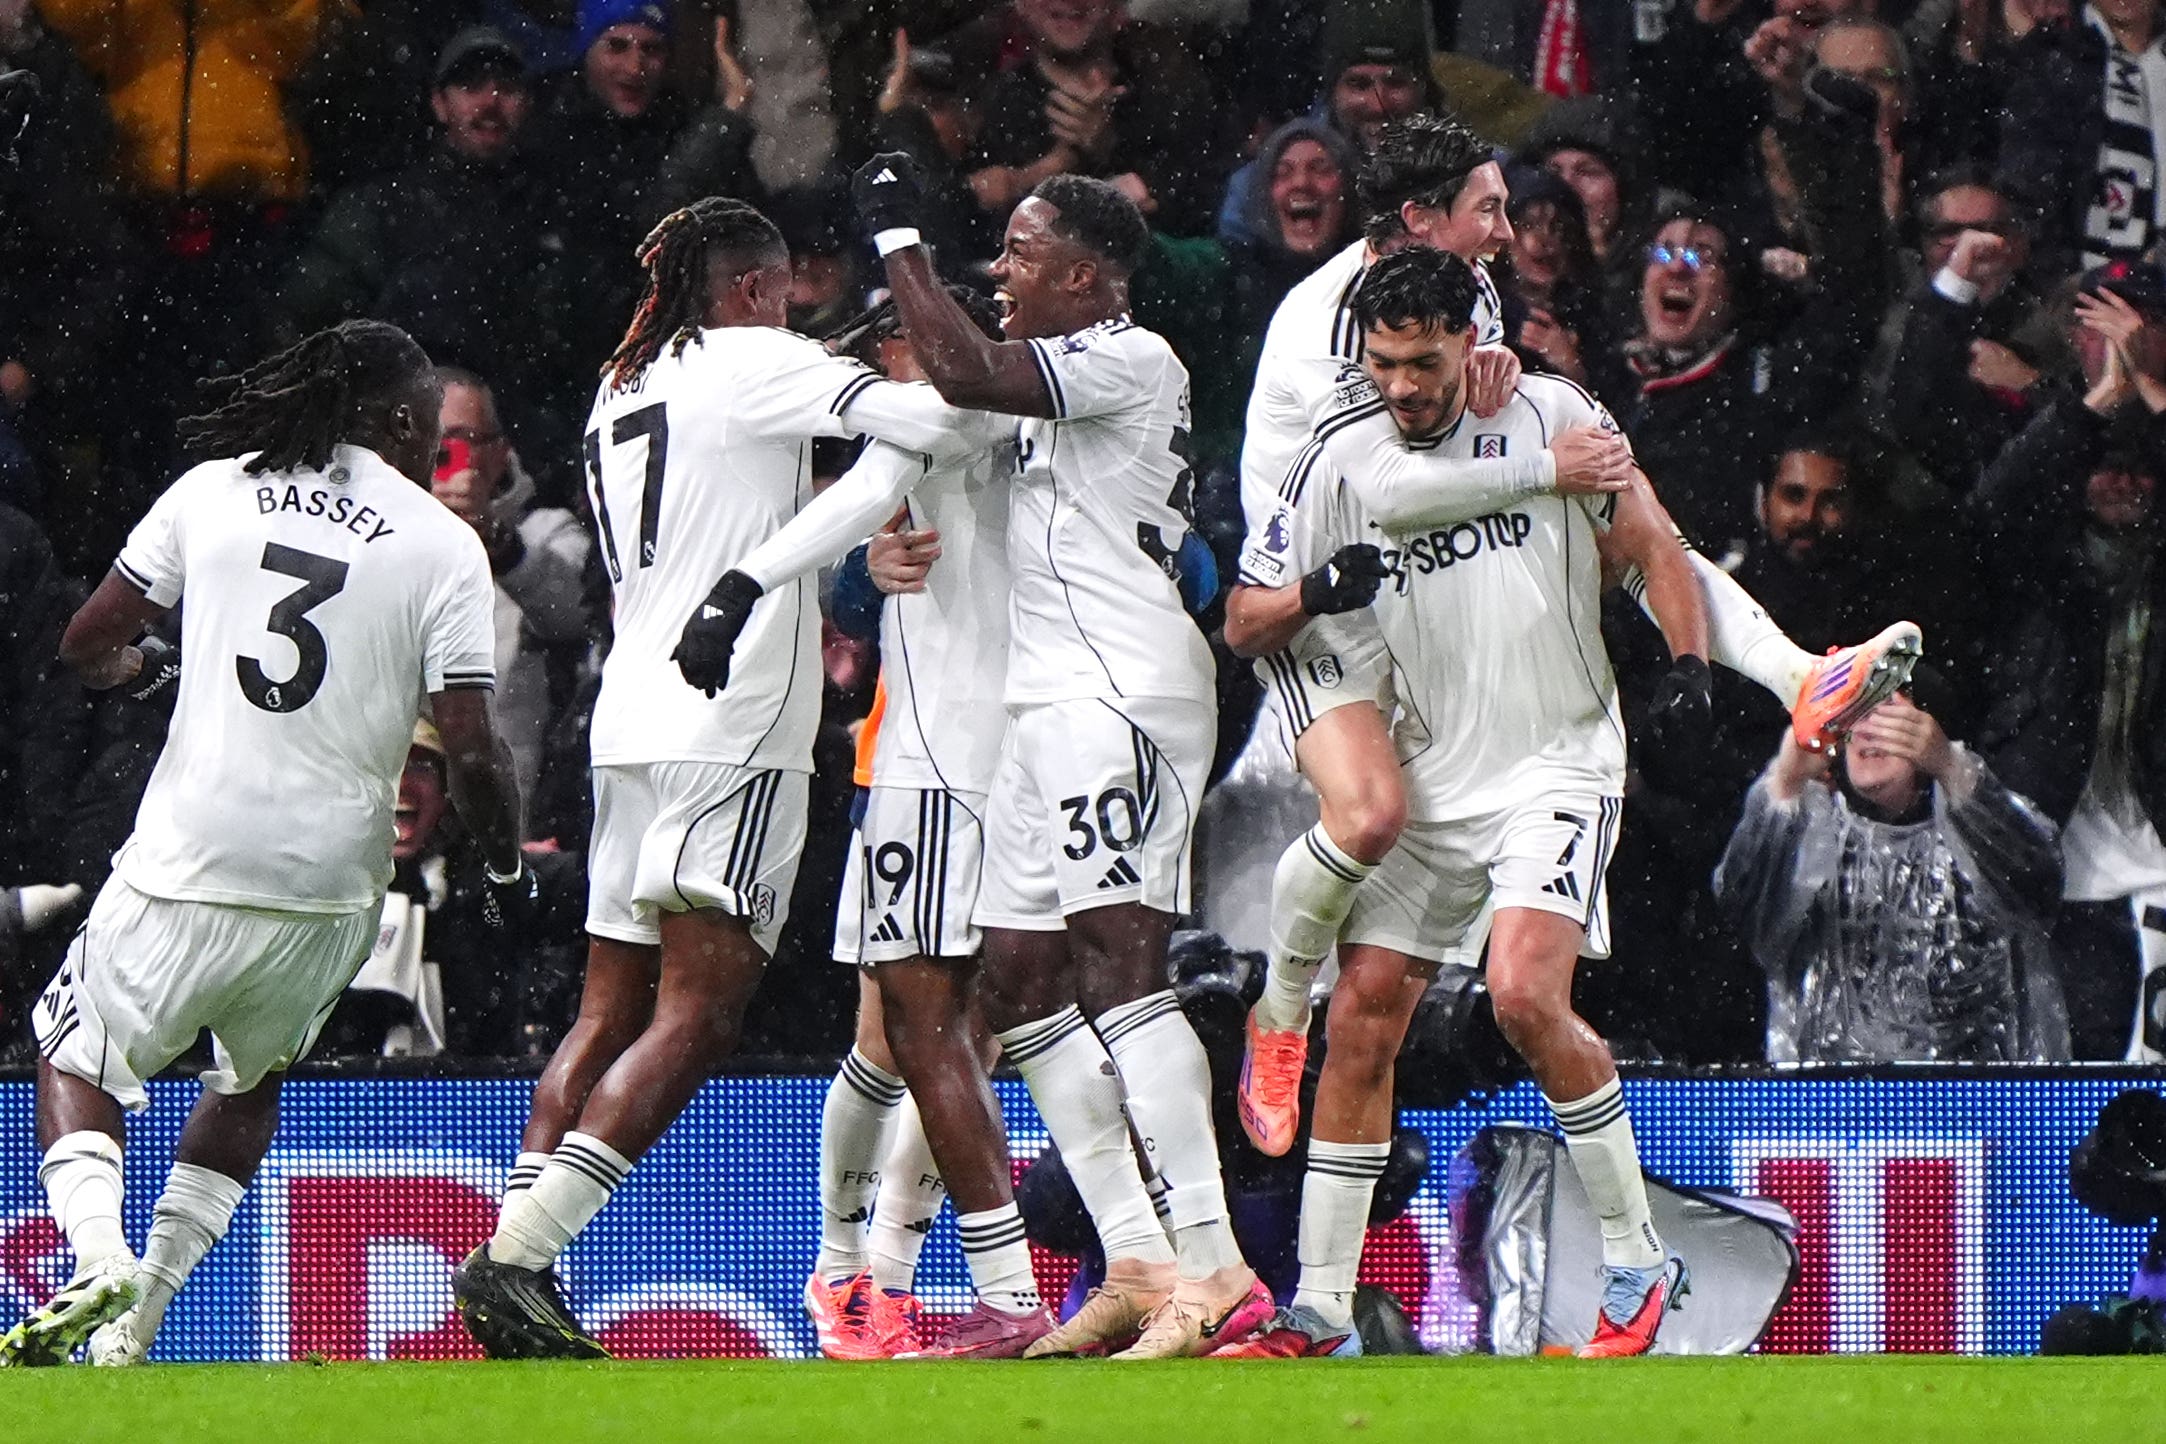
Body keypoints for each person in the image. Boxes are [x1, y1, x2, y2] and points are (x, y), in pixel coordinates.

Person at [1227, 116, 1920, 1170]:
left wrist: (1538, 421)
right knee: (1370, 816)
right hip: (1321, 597)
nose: (1508, 231)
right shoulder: (1327, 330)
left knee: (1622, 486)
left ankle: (1798, 672)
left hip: (1436, 607)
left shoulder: (1458, 284)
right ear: (1420, 222)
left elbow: (1473, 421)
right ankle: (1275, 1019)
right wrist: (1539, 465)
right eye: (1489, 209)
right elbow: (1389, 494)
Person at [452, 196, 1010, 1359]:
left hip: (626, 719)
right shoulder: (757, 358)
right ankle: (516, 1257)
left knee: (606, 1009)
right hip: (734, 719)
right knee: (699, 1015)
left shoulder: (624, 384)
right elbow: (943, 408)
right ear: (753, 288)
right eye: (786, 294)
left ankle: (513, 1253)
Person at [0, 320, 529, 1368]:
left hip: (196, 849)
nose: (435, 454)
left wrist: (155, 669)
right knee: (248, 1080)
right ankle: (138, 1322)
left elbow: (86, 642)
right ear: (391, 420)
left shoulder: (213, 489)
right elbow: (471, 744)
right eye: (427, 431)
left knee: (73, 1048)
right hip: (335, 881)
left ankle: (99, 1255)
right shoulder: (439, 542)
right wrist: (505, 862)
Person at [1222, 248, 1708, 1358]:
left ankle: (1639, 1262)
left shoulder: (1551, 410)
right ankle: (1321, 1308)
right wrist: (1310, 597)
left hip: (1556, 760)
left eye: (1425, 362)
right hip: (1430, 768)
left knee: (1524, 995)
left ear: (1469, 344)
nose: (1404, 385)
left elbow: (1650, 542)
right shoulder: (1340, 456)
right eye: (1384, 363)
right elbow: (1247, 617)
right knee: (1366, 1019)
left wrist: (1686, 670)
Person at [850, 157, 1275, 1358]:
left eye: (1022, 252)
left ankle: (1219, 1262)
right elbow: (924, 403)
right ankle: (1136, 1256)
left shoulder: (1126, 358)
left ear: (1087, 277)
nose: (1001, 268)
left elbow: (962, 366)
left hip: (1119, 689)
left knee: (1122, 963)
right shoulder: (1048, 387)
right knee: (1021, 981)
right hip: (1045, 705)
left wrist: (897, 235)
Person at [1715, 689, 2071, 1063]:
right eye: (1854, 718)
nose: (1867, 732)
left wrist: (1951, 766)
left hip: (1973, 1104)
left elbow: (2036, 888)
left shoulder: (1975, 838)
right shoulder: (1812, 843)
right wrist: (1784, 786)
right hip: (1830, 1106)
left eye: (1888, 716)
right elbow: (1742, 919)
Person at [428, 369, 592, 816]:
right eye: (425, 436)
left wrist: (498, 542)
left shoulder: (544, 532)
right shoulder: (367, 534)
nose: (438, 454)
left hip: (503, 806)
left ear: (500, 453)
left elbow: (576, 611)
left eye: (458, 440)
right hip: (394, 798)